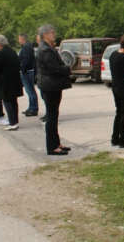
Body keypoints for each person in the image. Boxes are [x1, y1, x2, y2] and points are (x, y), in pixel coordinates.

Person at [36, 24, 72, 155]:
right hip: (50, 86)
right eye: (52, 32)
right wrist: (68, 68)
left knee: (54, 115)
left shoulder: (48, 47)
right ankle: (52, 147)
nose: (54, 34)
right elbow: (54, 69)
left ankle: (56, 142)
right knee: (51, 116)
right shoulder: (45, 49)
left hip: (51, 85)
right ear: (45, 34)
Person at [0, 35, 23, 131]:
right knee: (14, 101)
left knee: (7, 101)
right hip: (15, 80)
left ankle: (12, 123)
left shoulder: (2, 54)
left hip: (6, 81)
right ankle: (15, 121)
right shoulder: (12, 51)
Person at [18, 33, 38, 116]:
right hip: (28, 71)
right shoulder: (27, 47)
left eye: (19, 39)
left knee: (30, 90)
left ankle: (34, 108)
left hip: (28, 72)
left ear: (22, 39)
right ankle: (31, 107)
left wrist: (23, 71)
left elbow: (26, 60)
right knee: (29, 90)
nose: (18, 41)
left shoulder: (27, 47)